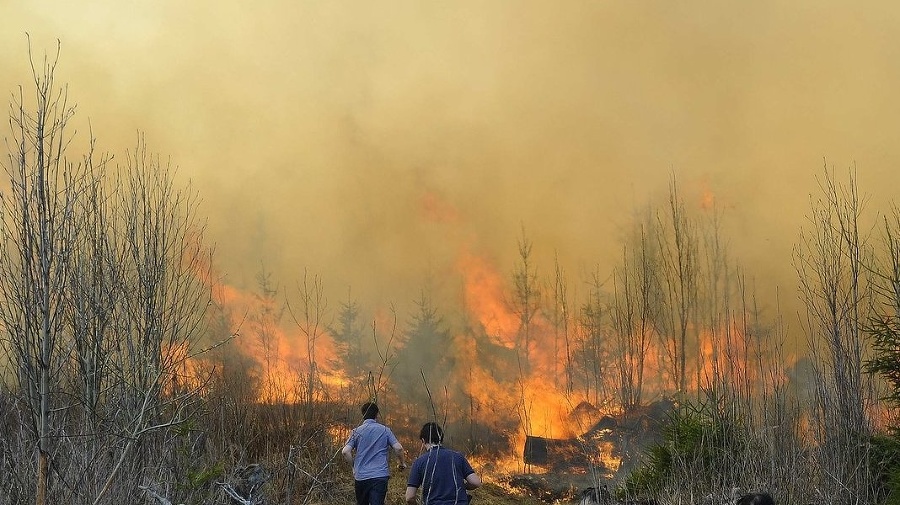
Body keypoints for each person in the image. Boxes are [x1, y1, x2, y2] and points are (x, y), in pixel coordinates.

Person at [342, 402, 408, 505]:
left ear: (363, 414)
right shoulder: (385, 430)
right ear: (377, 414)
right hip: (379, 476)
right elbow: (398, 448)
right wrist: (401, 463)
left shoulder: (356, 432)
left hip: (361, 477)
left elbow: (345, 451)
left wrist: (354, 467)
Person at [405, 422, 481, 505]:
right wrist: (464, 487)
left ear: (423, 440)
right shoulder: (457, 457)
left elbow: (409, 497)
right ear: (441, 438)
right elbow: (475, 482)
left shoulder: (419, 462)